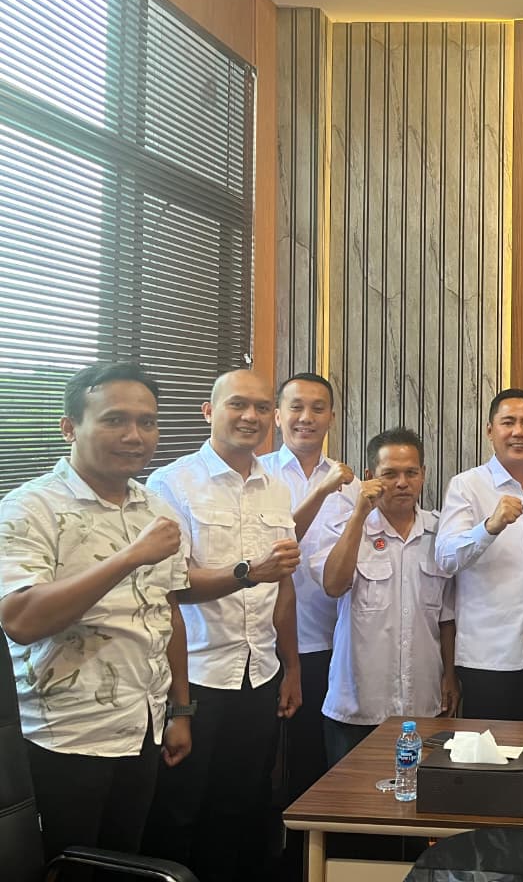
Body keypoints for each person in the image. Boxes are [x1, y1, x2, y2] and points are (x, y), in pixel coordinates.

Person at [0, 363, 191, 860]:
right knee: (64, 867)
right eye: (114, 420)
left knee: (123, 863)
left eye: (147, 422)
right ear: (70, 427)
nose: (134, 435)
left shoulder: (158, 510)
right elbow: (20, 620)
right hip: (64, 735)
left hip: (143, 726)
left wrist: (180, 710)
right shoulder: (28, 508)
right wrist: (130, 556)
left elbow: (167, 612)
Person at [142, 369, 303, 882]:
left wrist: (291, 668)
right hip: (197, 676)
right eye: (238, 404)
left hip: (259, 673)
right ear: (209, 411)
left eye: (262, 407)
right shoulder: (171, 483)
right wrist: (248, 572)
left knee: (243, 806)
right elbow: (171, 586)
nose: (251, 416)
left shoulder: (277, 488)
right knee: (180, 811)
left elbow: (283, 585)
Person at [310, 427, 458, 764]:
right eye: (390, 474)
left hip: (423, 702)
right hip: (358, 705)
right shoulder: (345, 526)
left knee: (420, 792)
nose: (402, 483)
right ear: (370, 477)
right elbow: (333, 585)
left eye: (411, 473)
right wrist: (360, 514)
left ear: (424, 474)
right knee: (351, 795)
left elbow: (446, 616)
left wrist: (450, 675)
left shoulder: (440, 533)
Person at [435, 389, 523, 721]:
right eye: (508, 422)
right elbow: (445, 558)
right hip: (487, 657)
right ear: (490, 430)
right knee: (491, 750)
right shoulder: (466, 486)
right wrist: (489, 527)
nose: (518, 432)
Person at [259, 372, 350, 797]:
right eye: (295, 407)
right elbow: (269, 549)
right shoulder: (257, 477)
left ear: (332, 417)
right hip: (267, 645)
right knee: (265, 764)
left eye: (318, 408)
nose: (306, 418)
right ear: (278, 416)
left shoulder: (351, 484)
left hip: (334, 642)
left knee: (322, 762)